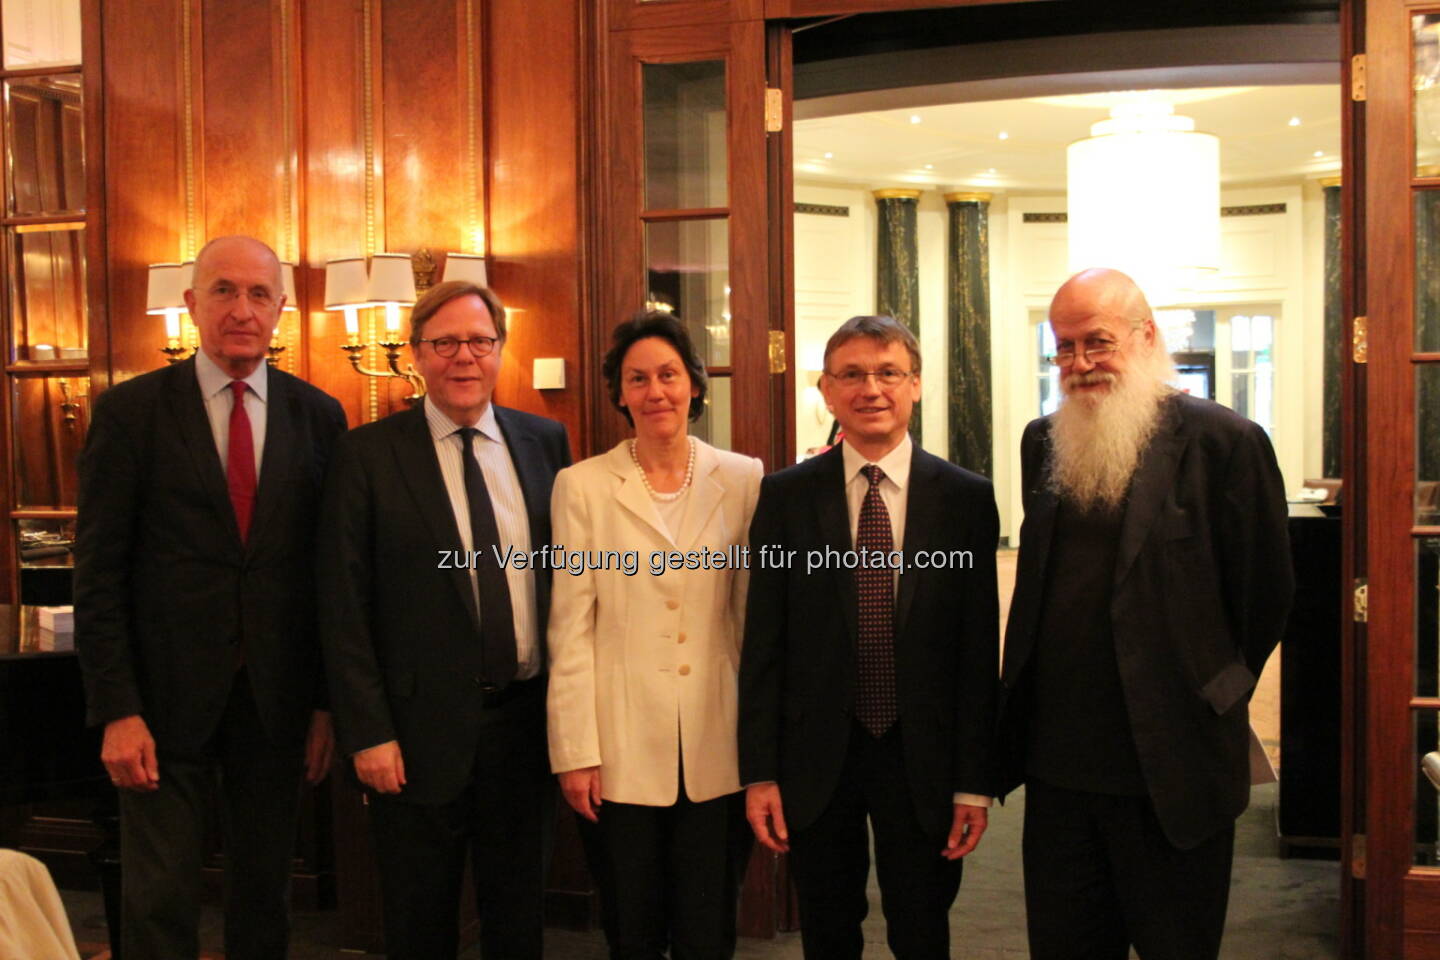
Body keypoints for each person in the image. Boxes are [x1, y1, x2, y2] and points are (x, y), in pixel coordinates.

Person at [997, 267, 1294, 960]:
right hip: (1059, 769)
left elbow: (1266, 594)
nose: (1079, 364)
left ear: (1147, 336)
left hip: (1174, 764)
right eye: (1063, 348)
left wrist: (1213, 687)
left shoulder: (1226, 442)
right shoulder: (1042, 441)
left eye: (1096, 342)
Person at [74, 235, 347, 960]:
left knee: (266, 899)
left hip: (277, 701)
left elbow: (329, 577)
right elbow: (98, 574)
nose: (242, 309)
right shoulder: (130, 413)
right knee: (158, 902)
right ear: (191, 304)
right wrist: (117, 710)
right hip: (160, 705)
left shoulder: (319, 417)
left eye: (260, 294)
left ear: (281, 310)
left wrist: (324, 703)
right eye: (224, 290)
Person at [318, 279, 570, 959]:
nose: (465, 357)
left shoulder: (546, 442)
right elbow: (343, 606)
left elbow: (571, 586)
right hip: (412, 738)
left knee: (517, 924)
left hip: (525, 729)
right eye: (446, 342)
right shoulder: (367, 455)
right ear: (416, 355)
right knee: (419, 925)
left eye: (480, 341)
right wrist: (367, 732)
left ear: (500, 350)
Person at [738, 314, 1000, 960]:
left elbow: (976, 650)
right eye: (851, 375)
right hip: (817, 752)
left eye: (888, 373)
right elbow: (763, 642)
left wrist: (974, 781)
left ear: (915, 386)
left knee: (922, 923)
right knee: (828, 926)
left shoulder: (966, 498)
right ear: (827, 391)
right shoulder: (784, 497)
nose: (871, 388)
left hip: (926, 754)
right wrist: (760, 772)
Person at [546, 310, 761, 960]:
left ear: (694, 383)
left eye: (668, 374)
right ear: (620, 393)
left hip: (716, 744)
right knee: (632, 929)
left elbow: (751, 620)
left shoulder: (744, 477)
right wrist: (575, 750)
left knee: (707, 930)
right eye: (638, 379)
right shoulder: (581, 486)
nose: (656, 391)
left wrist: (764, 748)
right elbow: (571, 629)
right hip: (618, 749)